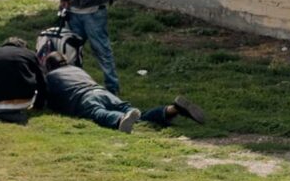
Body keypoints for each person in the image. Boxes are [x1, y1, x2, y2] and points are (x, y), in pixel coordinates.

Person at [36, 30, 204, 134]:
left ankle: (120, 120)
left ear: (48, 67)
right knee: (140, 114)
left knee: (98, 114)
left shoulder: (50, 77)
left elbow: (45, 100)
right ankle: (172, 109)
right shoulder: (77, 70)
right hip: (102, 92)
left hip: (85, 98)